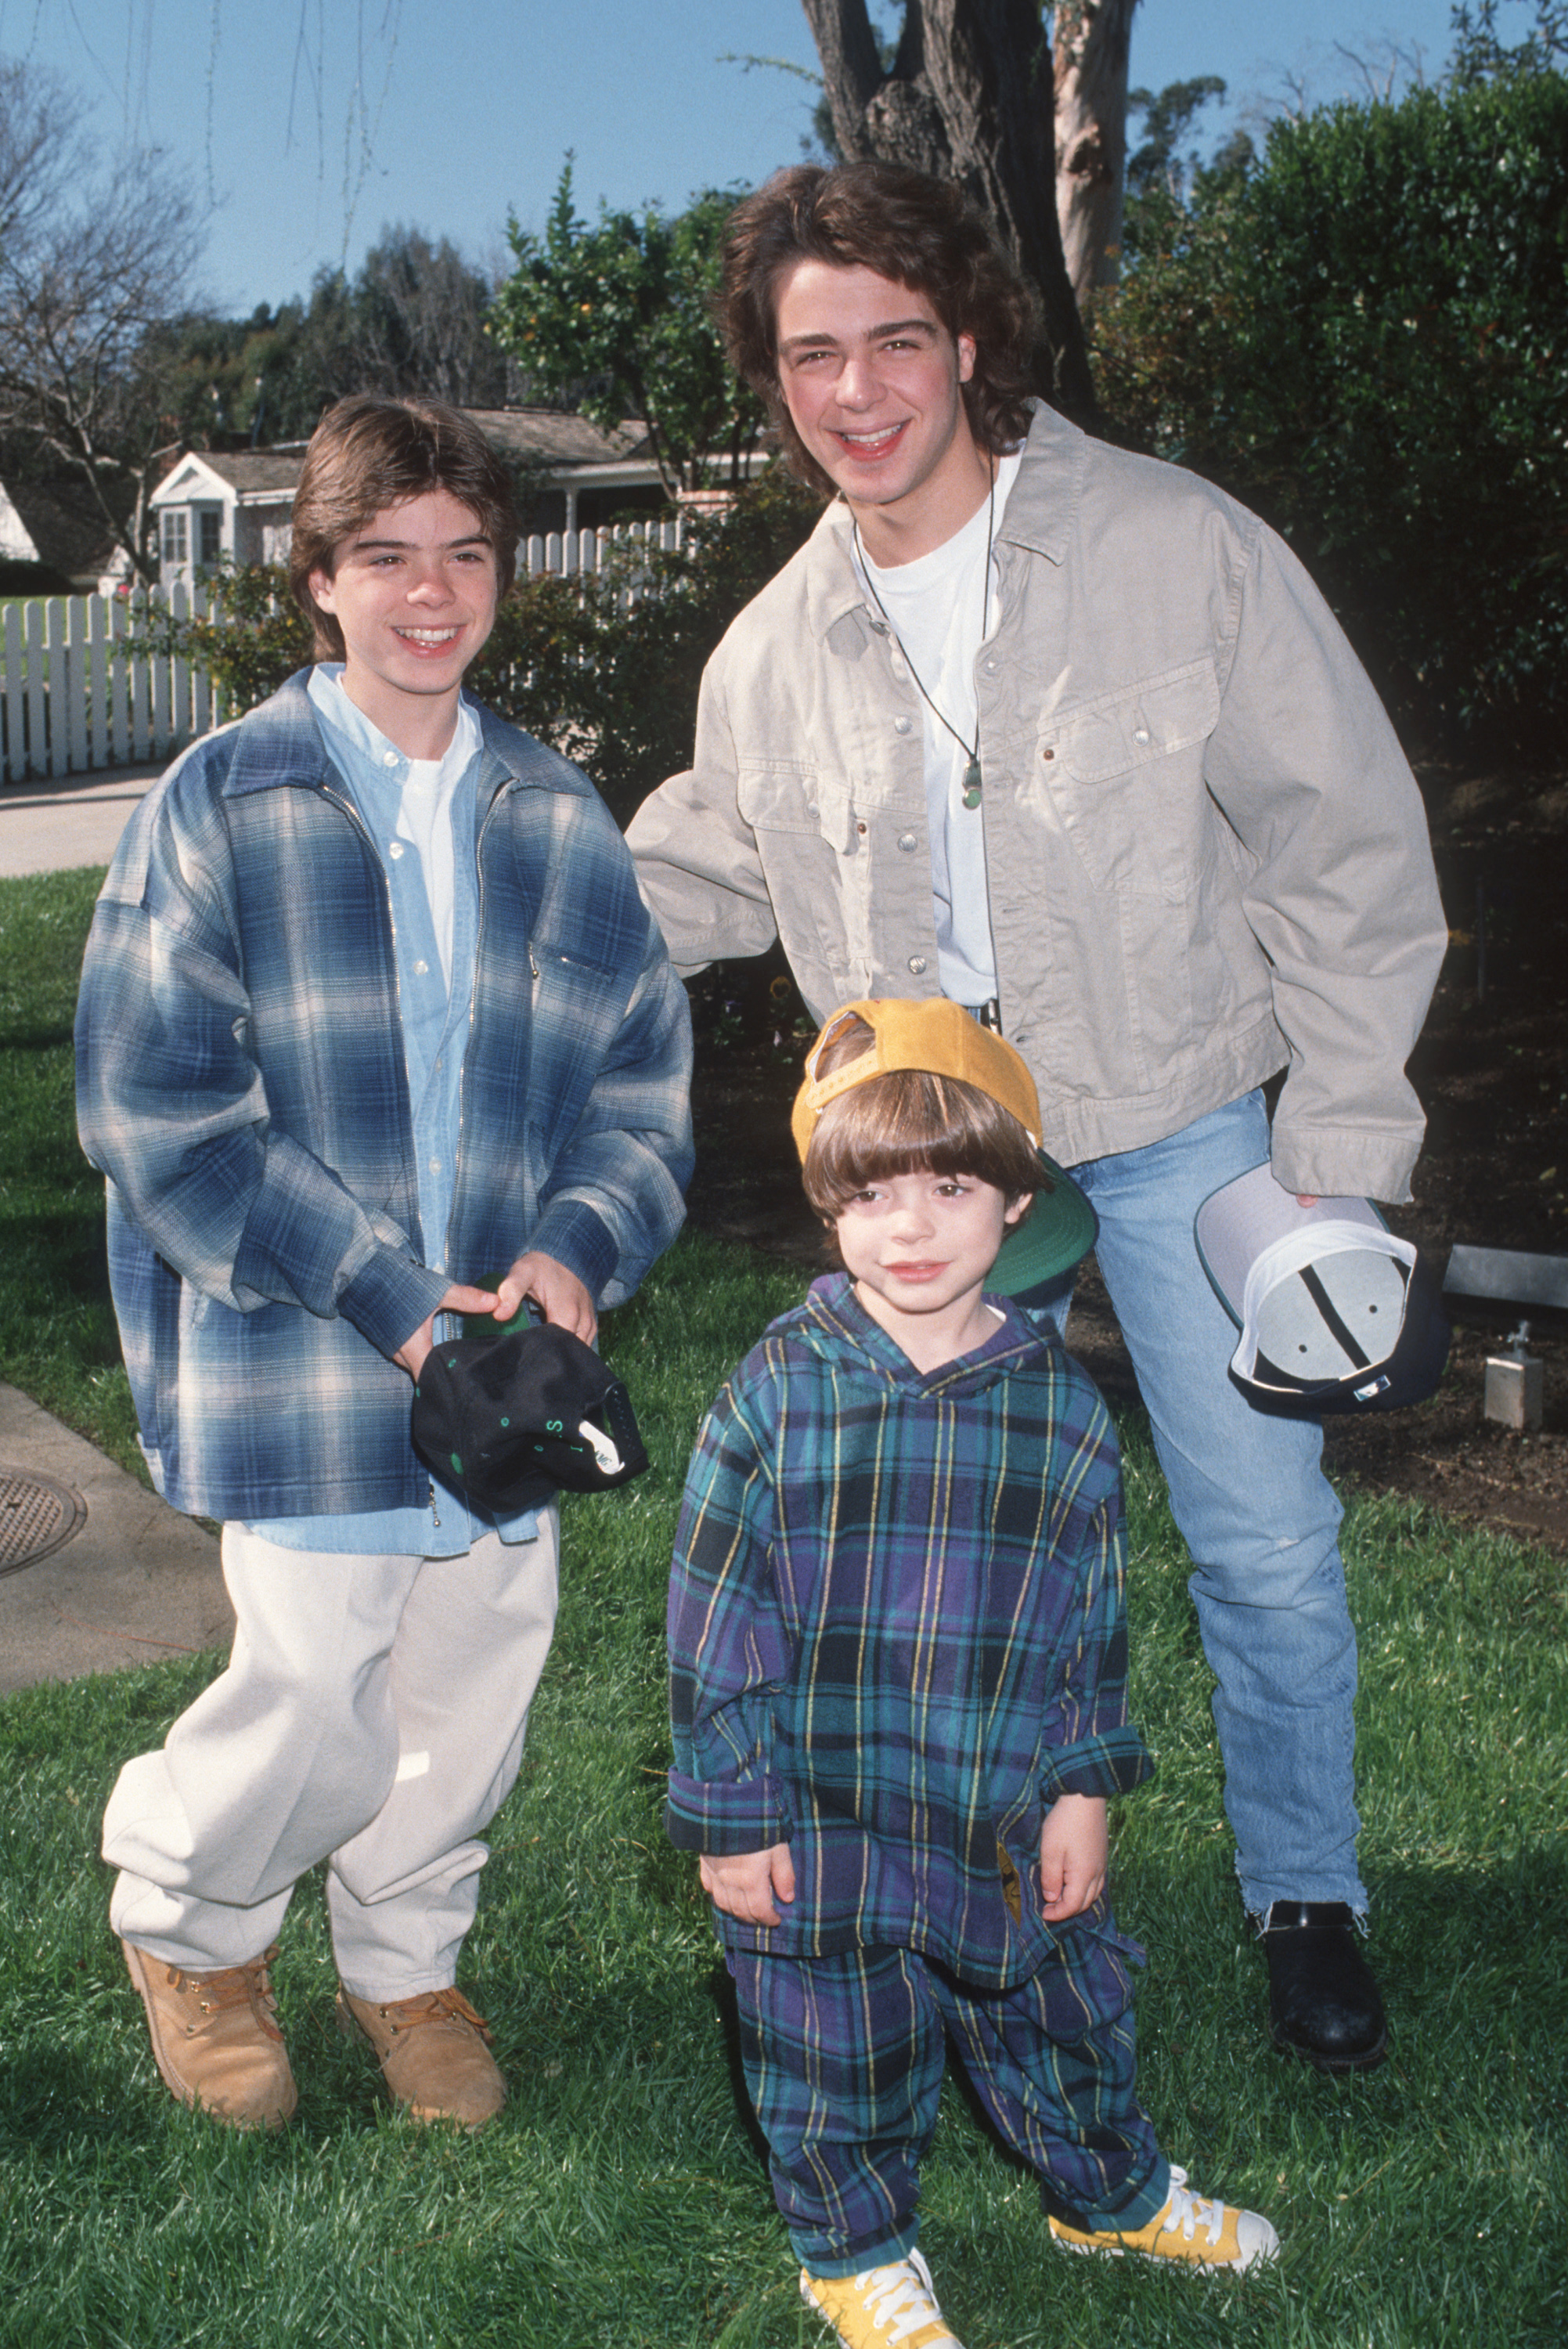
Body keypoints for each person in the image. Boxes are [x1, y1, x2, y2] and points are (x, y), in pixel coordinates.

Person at [628, 161, 1449, 2073]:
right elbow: (679, 882)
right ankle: (929, 1880)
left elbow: (1350, 851)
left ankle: (1306, 1892)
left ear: (968, 338)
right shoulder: (770, 654)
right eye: (810, 354)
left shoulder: (1180, 548)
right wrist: (463, 885)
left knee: (1257, 1541)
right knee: (911, 1550)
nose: (856, 389)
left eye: (893, 339)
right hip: (929, 1156)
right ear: (775, 380)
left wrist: (1343, 1140)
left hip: (1178, 1119)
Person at [75, 393, 692, 2131]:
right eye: (386, 557)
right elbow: (158, 1106)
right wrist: (386, 1295)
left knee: (472, 1688)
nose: (433, 593)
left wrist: (579, 1243)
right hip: (306, 1355)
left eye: (467, 554)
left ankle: (407, 1962)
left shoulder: (557, 814)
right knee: (317, 1697)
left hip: (506, 1374)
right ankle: (192, 1924)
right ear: (321, 581)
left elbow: (640, 1088)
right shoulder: (224, 801)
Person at [666, 1000, 1279, 2349]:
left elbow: (1089, 1629)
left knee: (1064, 2013)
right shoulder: (776, 1389)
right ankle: (856, 2249)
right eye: (875, 1190)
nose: (914, 1224)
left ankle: (1106, 2194)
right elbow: (718, 1623)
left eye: (952, 1186)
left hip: (998, 1806)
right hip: (821, 1818)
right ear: (831, 1207)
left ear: (1016, 1204)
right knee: (836, 2045)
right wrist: (733, 1814)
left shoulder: (1058, 1409)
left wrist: (1083, 1791)